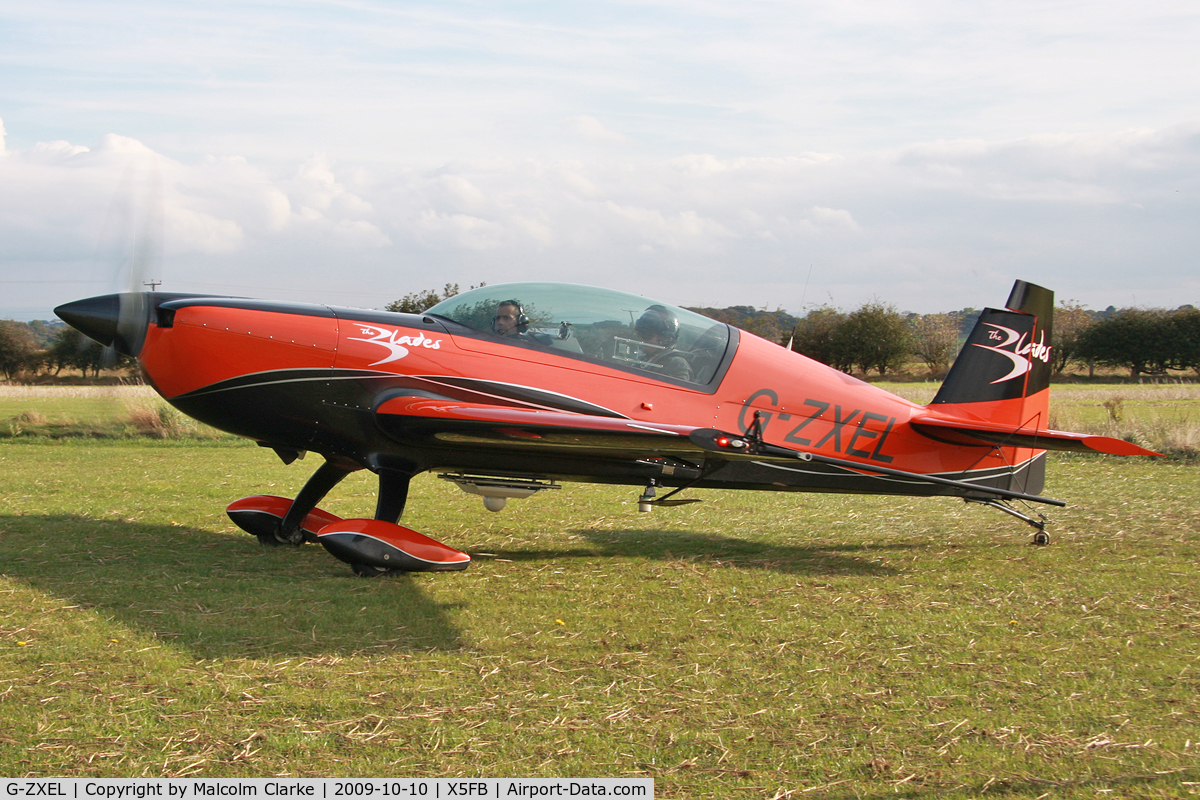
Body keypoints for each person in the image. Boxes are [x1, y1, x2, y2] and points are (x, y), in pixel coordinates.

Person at [634, 305, 692, 381]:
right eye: (641, 334)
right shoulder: (644, 358)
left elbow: (675, 391)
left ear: (664, 338)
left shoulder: (677, 365)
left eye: (647, 335)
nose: (643, 340)